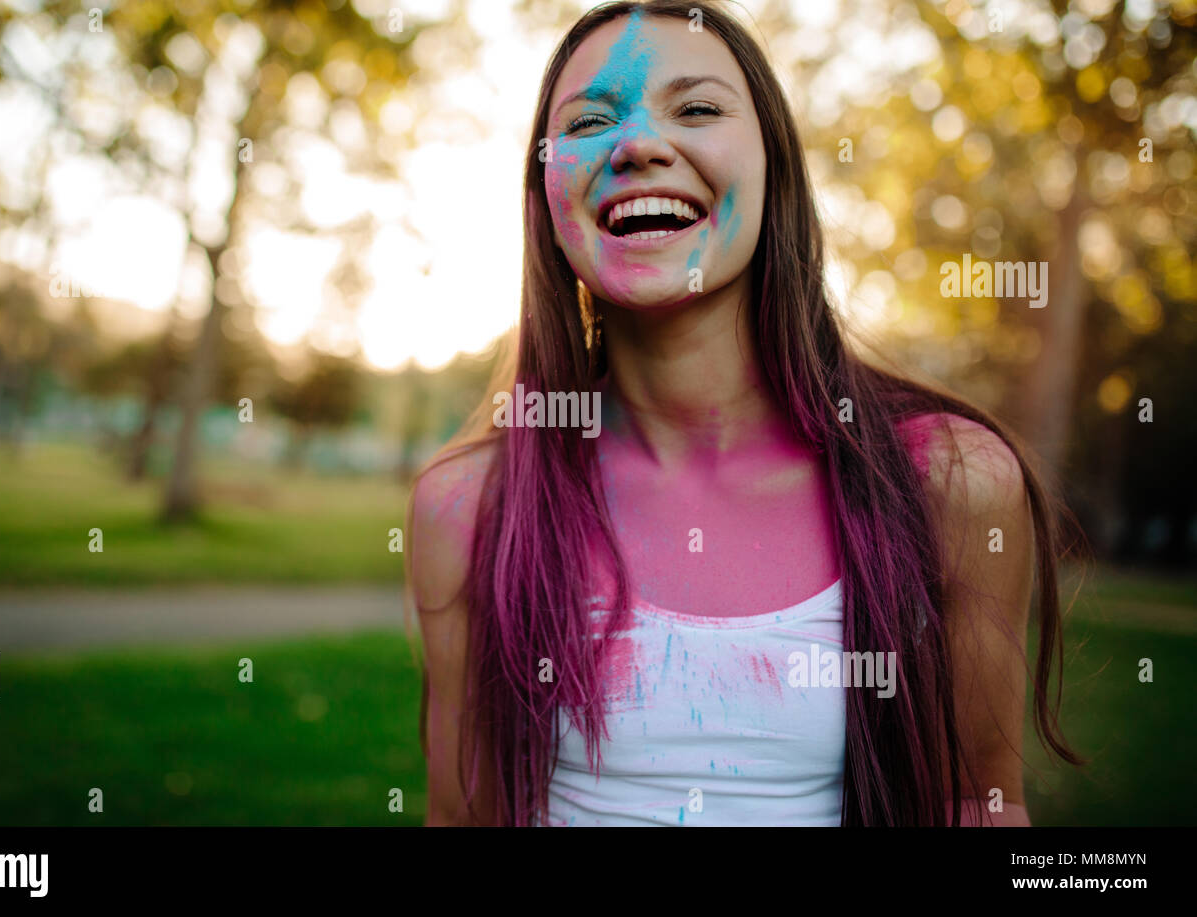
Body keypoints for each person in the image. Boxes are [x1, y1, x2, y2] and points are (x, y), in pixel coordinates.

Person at [407, 0, 1080, 826]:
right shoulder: (467, 507)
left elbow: (973, 802)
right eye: (589, 121)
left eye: (696, 109)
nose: (639, 145)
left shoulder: (950, 481)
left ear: (775, 171)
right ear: (545, 194)